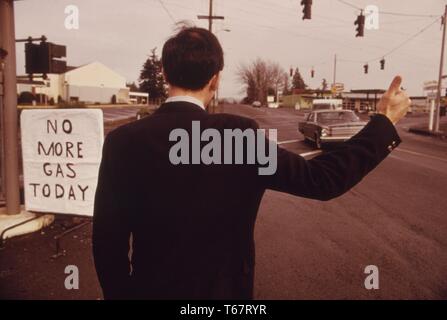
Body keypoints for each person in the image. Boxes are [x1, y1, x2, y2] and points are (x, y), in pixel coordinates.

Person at [92, 27, 410, 299]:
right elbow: (322, 180)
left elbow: (108, 241)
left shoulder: (123, 141)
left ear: (164, 73)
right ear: (215, 79)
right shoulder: (238, 136)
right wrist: (383, 123)